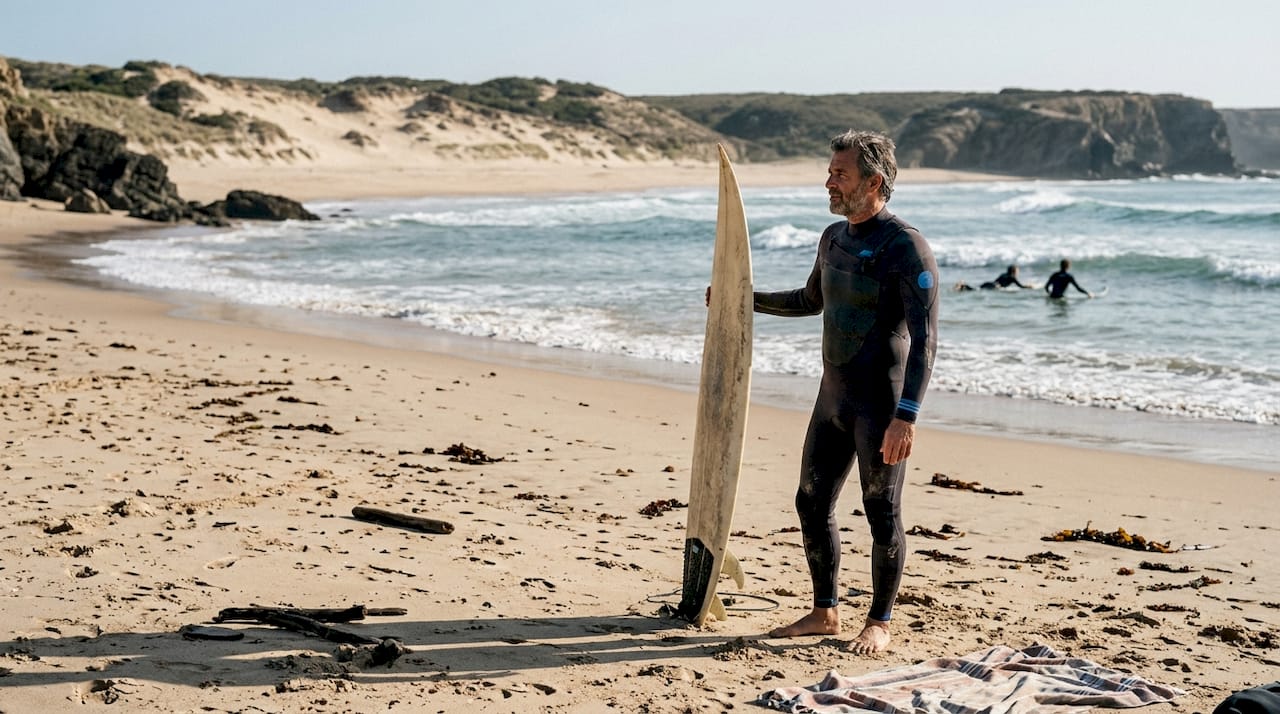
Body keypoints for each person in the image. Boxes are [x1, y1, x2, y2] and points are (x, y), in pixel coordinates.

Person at [753, 129, 939, 654]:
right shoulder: (833, 238)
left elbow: (926, 341)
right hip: (832, 400)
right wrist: (746, 298)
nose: (828, 181)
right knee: (810, 503)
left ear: (874, 181)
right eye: (830, 171)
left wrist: (907, 416)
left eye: (840, 173)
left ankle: (879, 621)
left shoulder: (907, 248)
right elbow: (810, 299)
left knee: (881, 512)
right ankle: (824, 612)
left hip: (882, 406)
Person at [955, 264, 1032, 291]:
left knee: (975, 289)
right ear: (1014, 271)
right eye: (1018, 270)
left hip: (990, 283)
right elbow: (1021, 286)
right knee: (975, 290)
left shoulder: (1003, 274)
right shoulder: (1013, 278)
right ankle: (963, 285)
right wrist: (1029, 286)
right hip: (995, 286)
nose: (1018, 272)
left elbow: (996, 281)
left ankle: (963, 285)